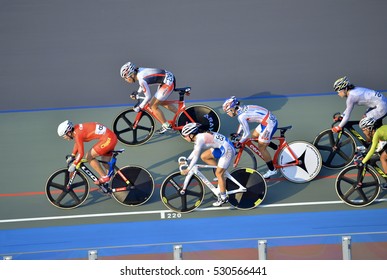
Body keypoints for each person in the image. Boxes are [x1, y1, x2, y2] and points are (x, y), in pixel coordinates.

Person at [179, 122, 235, 207]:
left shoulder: (200, 139)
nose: (184, 138)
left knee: (219, 174)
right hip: (220, 147)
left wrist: (188, 169)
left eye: (185, 136)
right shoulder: (198, 137)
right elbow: (195, 151)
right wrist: (187, 159)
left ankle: (223, 197)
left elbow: (195, 157)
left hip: (227, 149)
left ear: (191, 135)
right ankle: (220, 173)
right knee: (205, 156)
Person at [223, 96, 278, 179]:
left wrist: (240, 142)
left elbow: (246, 133)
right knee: (255, 136)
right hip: (266, 120)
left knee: (261, 147)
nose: (228, 114)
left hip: (269, 123)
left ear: (232, 109)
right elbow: (242, 124)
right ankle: (275, 147)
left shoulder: (241, 116)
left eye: (227, 111)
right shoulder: (243, 109)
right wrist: (238, 133)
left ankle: (272, 169)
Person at [120, 61, 177, 134]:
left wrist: (140, 107)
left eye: (126, 78)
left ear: (131, 75)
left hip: (167, 82)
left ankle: (166, 125)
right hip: (167, 78)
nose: (126, 80)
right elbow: (144, 84)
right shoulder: (139, 71)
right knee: (160, 101)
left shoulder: (141, 80)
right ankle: (180, 114)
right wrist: (138, 92)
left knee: (153, 106)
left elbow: (148, 96)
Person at [57, 120, 118, 186]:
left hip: (108, 139)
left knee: (88, 157)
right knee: (105, 163)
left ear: (68, 132)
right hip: (111, 137)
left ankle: (104, 177)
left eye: (64, 136)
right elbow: (77, 143)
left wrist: (74, 164)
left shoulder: (78, 134)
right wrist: (73, 155)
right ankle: (113, 184)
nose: (64, 138)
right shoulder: (77, 130)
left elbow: (81, 153)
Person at [331, 76, 387, 142]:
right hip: (379, 104)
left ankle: (377, 144)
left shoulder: (351, 97)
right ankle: (377, 141)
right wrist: (341, 116)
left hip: (381, 106)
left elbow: (347, 116)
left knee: (363, 124)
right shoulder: (353, 91)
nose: (338, 94)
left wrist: (339, 127)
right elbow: (348, 109)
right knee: (366, 120)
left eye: (339, 91)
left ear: (345, 89)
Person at [356, 117, 387, 189]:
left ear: (369, 128)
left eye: (364, 130)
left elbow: (372, 149)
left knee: (383, 157)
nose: (363, 132)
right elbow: (374, 145)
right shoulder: (377, 132)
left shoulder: (377, 134)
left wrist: (363, 162)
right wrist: (365, 152)